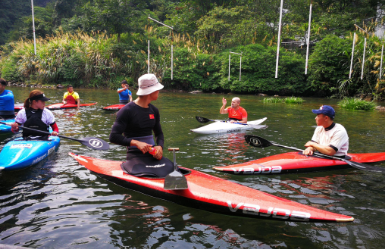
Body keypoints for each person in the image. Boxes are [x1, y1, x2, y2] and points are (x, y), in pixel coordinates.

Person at [109, 74, 174, 178]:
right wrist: (136, 143)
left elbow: (159, 133)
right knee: (145, 173)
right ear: (151, 92)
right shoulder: (126, 111)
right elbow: (113, 137)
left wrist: (160, 147)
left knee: (173, 168)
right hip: (135, 156)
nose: (159, 92)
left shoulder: (154, 110)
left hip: (152, 154)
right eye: (157, 89)